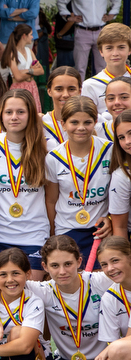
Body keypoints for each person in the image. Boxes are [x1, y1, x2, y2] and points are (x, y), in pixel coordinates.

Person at [0, 89, 49, 279]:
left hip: (34, 236)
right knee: (1, 297)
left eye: (21, 112)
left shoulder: (44, 147)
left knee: (30, 294)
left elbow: (52, 198)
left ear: (31, 114)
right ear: (0, 115)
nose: (14, 117)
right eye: (8, 112)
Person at [45, 96, 114, 263]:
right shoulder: (54, 158)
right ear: (63, 124)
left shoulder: (109, 150)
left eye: (87, 122)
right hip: (67, 230)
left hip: (101, 231)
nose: (81, 128)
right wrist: (54, 236)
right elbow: (51, 201)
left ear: (95, 122)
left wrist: (111, 219)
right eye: (74, 122)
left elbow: (118, 193)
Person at [57, 0, 122, 78]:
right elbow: (61, 2)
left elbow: (117, 1)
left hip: (100, 31)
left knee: (102, 67)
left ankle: (101, 95)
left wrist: (112, 14)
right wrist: (68, 16)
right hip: (82, 31)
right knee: (80, 67)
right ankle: (80, 95)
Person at [0, 24, 44, 113]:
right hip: (19, 88)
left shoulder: (29, 51)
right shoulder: (12, 54)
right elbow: (18, 77)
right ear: (24, 36)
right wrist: (33, 71)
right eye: (30, 34)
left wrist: (28, 70)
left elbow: (41, 70)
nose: (32, 37)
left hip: (32, 85)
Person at [54, 0, 76, 68]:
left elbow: (72, 20)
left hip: (66, 39)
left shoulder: (69, 4)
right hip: (65, 39)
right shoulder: (65, 3)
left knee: (65, 68)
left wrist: (60, 33)